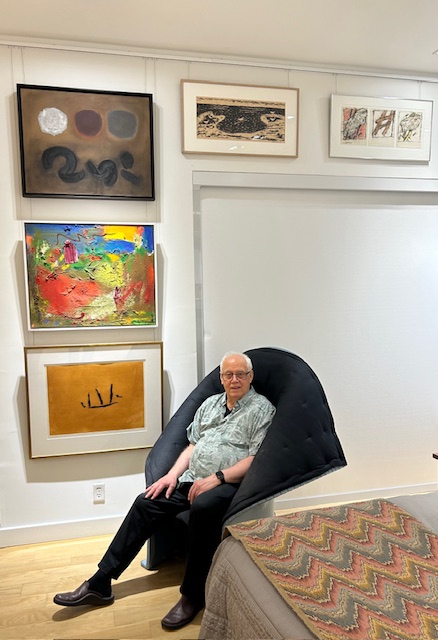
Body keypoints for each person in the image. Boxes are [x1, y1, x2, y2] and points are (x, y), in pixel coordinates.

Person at [54, 352, 275, 630]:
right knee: (147, 501)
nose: (234, 380)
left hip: (230, 484)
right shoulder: (210, 405)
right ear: (220, 378)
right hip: (193, 478)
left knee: (204, 507)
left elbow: (256, 457)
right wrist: (171, 476)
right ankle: (101, 582)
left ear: (250, 377)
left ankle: (192, 596)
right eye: (228, 375)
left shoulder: (262, 409)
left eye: (240, 374)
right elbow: (192, 446)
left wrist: (217, 478)